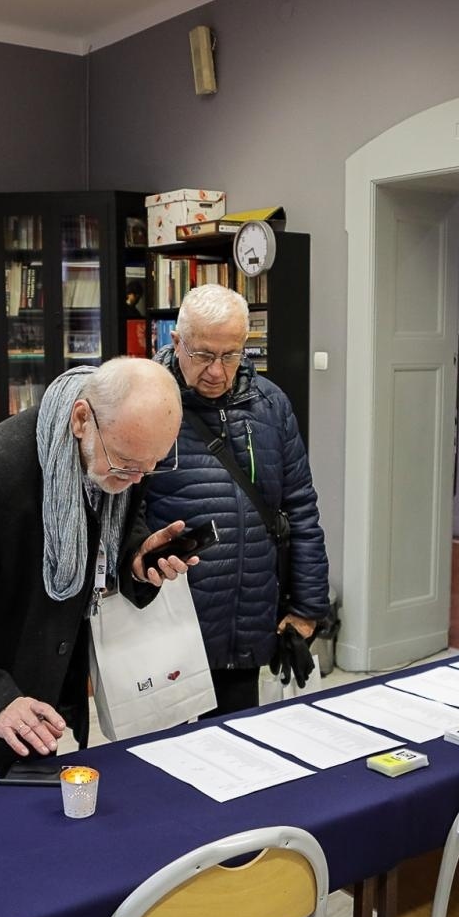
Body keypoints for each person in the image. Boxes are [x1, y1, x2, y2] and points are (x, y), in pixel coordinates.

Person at [0, 357, 195, 790]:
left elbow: (113, 524)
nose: (136, 479)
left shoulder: (122, 448)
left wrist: (136, 559)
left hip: (41, 701)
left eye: (151, 465)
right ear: (81, 419)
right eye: (126, 464)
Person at [134, 284, 329, 716]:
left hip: (248, 618)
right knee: (167, 746)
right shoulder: (144, 404)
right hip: (169, 623)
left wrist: (308, 606)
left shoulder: (270, 405)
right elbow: (124, 514)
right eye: (203, 355)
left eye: (230, 355)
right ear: (176, 342)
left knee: (237, 741)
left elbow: (300, 508)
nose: (216, 371)